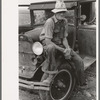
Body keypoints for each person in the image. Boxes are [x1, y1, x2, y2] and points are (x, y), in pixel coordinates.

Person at [39, 0, 87, 88]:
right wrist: (63, 50)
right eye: (59, 12)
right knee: (50, 48)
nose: (62, 14)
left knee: (79, 61)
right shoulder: (50, 22)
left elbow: (64, 38)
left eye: (63, 12)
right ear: (55, 12)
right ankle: (50, 75)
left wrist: (68, 49)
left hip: (60, 45)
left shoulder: (64, 21)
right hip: (48, 45)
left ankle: (81, 83)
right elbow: (48, 42)